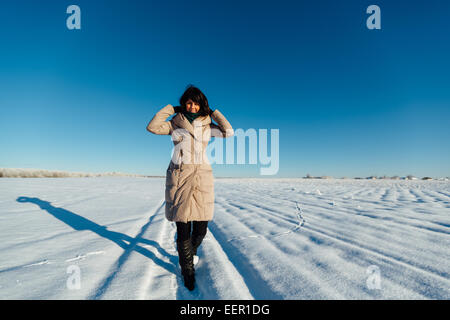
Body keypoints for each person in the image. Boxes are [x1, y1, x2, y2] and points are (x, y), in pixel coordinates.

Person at [146, 84, 234, 291]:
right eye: (188, 102)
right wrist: (171, 109)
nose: (192, 106)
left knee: (201, 228)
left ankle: (190, 253)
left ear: (201, 104)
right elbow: (152, 127)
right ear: (184, 103)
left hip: (202, 176)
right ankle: (187, 271)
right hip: (180, 175)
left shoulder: (207, 124)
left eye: (196, 103)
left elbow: (228, 132)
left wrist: (213, 113)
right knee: (183, 226)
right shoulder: (174, 123)